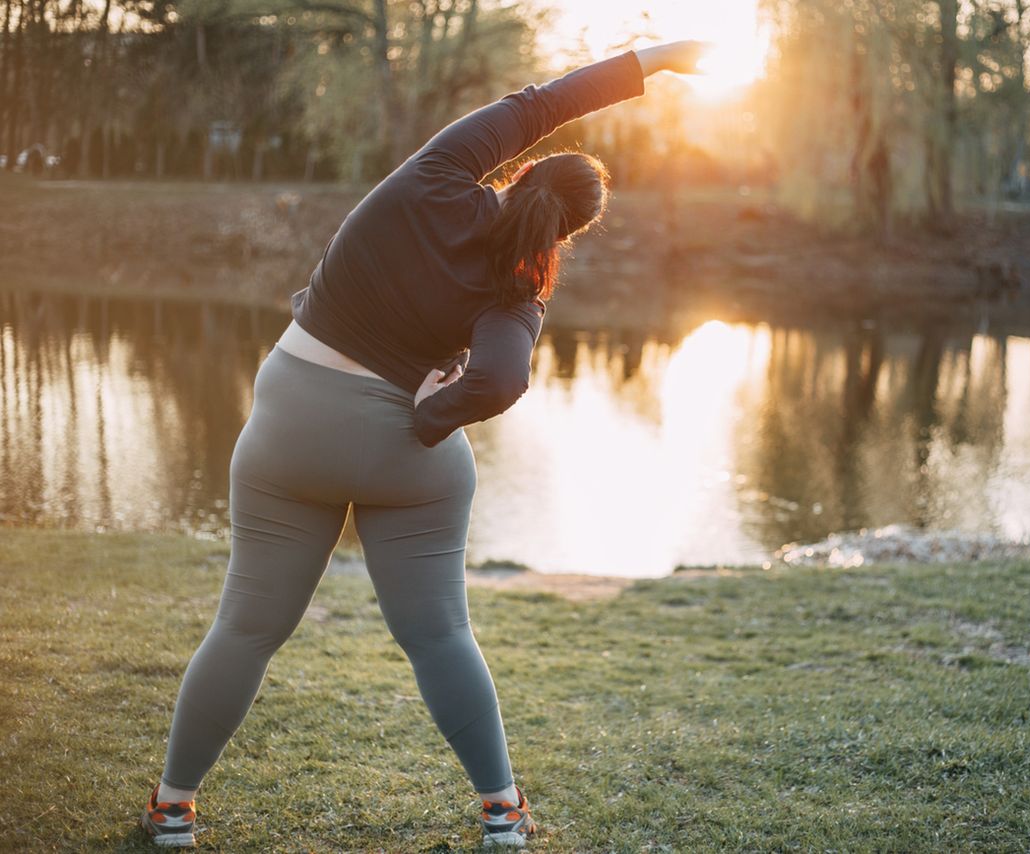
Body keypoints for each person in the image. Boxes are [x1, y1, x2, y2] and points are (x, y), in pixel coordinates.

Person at [139, 40, 708, 849]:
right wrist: (434, 416)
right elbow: (502, 381)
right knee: (440, 635)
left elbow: (547, 102)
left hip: (290, 427)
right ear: (568, 234)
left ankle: (173, 809)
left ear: (519, 169)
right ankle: (503, 812)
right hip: (402, 450)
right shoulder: (520, 285)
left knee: (246, 629)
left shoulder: (433, 176)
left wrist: (660, 58)